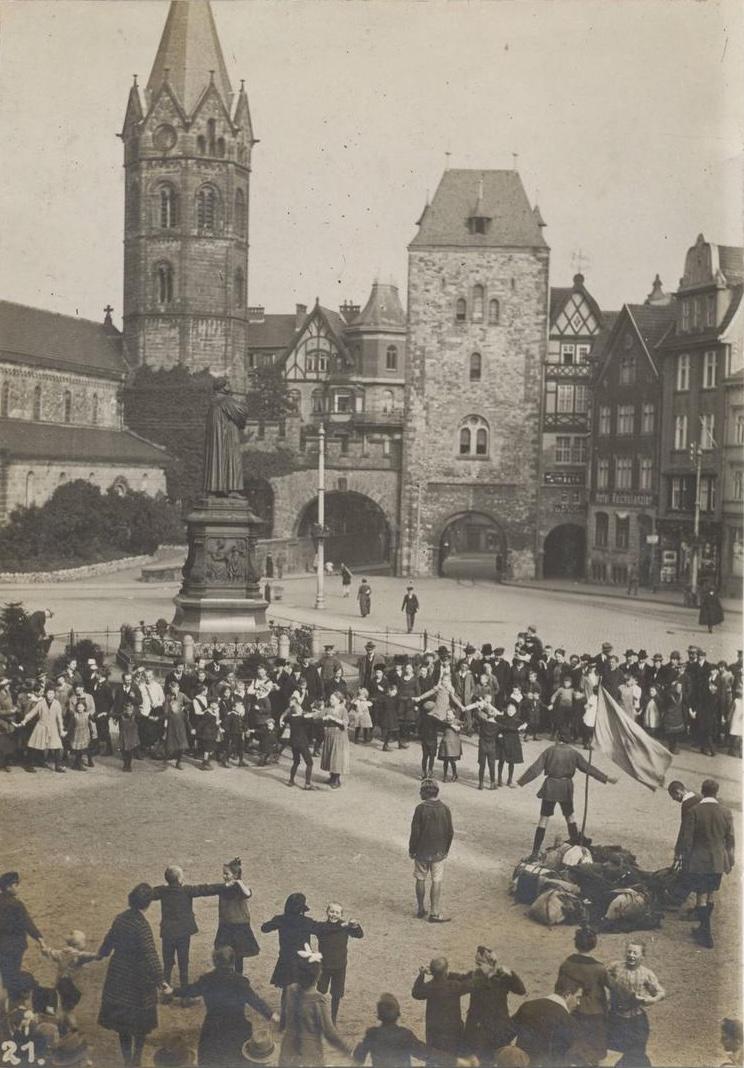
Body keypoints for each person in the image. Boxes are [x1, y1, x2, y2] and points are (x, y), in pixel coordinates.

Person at [98, 882, 170, 1067]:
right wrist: (160, 980)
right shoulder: (142, 926)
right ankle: (136, 1060)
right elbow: (150, 955)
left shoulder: (120, 918)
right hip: (138, 979)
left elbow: (109, 941)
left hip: (119, 974)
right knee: (140, 1024)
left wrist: (101, 953)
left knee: (122, 1024)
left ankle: (127, 1060)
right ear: (147, 904)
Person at [518, 727, 617, 859]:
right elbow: (588, 769)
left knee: (544, 819)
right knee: (570, 816)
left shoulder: (550, 751)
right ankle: (576, 850)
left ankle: (535, 852)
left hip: (551, 787)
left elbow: (535, 769)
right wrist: (606, 778)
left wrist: (521, 782)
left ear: (558, 738)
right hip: (565, 788)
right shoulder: (573, 753)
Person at [173, 945, 278, 1068]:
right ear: (233, 962)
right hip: (237, 1027)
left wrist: (173, 991)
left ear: (215, 962)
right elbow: (254, 1000)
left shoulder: (207, 980)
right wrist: (271, 1015)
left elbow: (190, 990)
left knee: (210, 1060)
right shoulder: (240, 981)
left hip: (213, 1026)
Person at [680, 777, 735, 948]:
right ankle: (703, 929)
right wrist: (729, 860)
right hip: (717, 860)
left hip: (699, 860)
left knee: (701, 896)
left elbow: (687, 839)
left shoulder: (695, 811)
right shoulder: (726, 812)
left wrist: (685, 859)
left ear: (702, 791)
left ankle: (705, 933)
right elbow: (730, 838)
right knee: (711, 893)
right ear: (716, 792)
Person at [151, 866, 223, 994]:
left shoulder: (162, 891)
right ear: (179, 879)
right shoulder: (187, 890)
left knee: (167, 965)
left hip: (168, 933)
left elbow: (149, 893)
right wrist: (225, 886)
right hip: (183, 933)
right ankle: (185, 996)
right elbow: (205, 889)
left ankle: (165, 994)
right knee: (183, 964)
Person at [278, 947, 352, 1067]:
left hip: (288, 1050)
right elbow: (329, 1033)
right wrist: (347, 1048)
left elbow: (285, 1015)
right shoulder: (318, 1001)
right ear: (318, 975)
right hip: (309, 1053)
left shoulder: (290, 990)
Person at [353, 992, 469, 1068]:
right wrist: (455, 1061)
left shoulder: (372, 1034)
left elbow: (358, 1058)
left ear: (379, 1015)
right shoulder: (404, 1035)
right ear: (398, 1014)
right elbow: (427, 1053)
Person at [461, 946, 525, 1065]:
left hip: (484, 1029)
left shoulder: (478, 976)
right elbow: (521, 990)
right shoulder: (487, 976)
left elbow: (521, 990)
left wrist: (510, 973)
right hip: (492, 1028)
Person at [606, 941, 665, 1067]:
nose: (631, 955)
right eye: (629, 952)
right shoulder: (616, 967)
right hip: (615, 1016)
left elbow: (660, 992)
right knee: (611, 1046)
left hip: (635, 1019)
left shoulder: (646, 974)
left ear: (642, 956)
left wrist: (653, 999)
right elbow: (602, 976)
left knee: (636, 1052)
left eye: (635, 953)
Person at [557, 926, 609, 1065]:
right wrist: (632, 997)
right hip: (594, 1012)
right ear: (594, 944)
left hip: (572, 1010)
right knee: (593, 1050)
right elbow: (613, 986)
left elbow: (558, 987)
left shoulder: (566, 964)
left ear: (576, 943)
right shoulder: (599, 968)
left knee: (574, 1046)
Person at [261, 894, 320, 1013]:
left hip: (286, 960)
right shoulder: (306, 922)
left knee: (286, 991)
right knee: (302, 990)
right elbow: (321, 929)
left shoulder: (281, 920)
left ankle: (284, 1019)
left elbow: (264, 928)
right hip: (302, 961)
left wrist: (276, 921)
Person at [510, 973, 582, 1068]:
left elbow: (505, 1034)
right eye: (577, 997)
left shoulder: (527, 1006)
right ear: (567, 994)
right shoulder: (570, 1022)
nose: (578, 1003)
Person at [409, 779, 454, 923]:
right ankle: (434, 912)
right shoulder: (445, 809)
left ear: (425, 793)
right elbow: (450, 832)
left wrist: (412, 849)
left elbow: (415, 832)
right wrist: (445, 849)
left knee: (420, 878)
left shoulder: (420, 809)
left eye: (421, 791)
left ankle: (421, 909)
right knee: (437, 880)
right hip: (439, 852)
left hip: (422, 851)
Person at [412, 956, 472, 1058]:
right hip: (454, 1033)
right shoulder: (454, 986)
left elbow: (416, 992)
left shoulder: (429, 987)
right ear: (446, 971)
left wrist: (421, 975)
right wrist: (450, 975)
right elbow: (469, 980)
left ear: (431, 971)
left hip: (434, 1034)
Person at [0, 871, 47, 1000]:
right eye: (16, 884)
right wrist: (40, 940)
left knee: (6, 977)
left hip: (1, 948)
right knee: (13, 978)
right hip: (14, 948)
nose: (18, 887)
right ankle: (15, 1007)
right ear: (8, 887)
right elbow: (28, 924)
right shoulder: (16, 904)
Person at [315, 902, 363, 1023]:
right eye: (331, 911)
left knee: (336, 994)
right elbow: (330, 929)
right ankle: (318, 1017)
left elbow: (359, 935)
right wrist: (344, 925)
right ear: (327, 912)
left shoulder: (345, 926)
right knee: (320, 991)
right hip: (324, 966)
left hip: (340, 966)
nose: (334, 915)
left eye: (337, 913)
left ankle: (333, 1019)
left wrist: (356, 925)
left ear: (341, 914)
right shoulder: (322, 927)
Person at [215, 859, 260, 973]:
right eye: (223, 873)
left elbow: (248, 894)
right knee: (224, 954)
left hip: (239, 927)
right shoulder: (223, 887)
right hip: (225, 925)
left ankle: (238, 976)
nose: (224, 876)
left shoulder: (241, 888)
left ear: (235, 875)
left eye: (227, 874)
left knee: (239, 956)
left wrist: (239, 882)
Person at [18, 684, 66, 772]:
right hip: (40, 727)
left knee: (57, 746)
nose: (50, 695)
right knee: (33, 745)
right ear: (45, 694)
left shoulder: (57, 703)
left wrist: (61, 729)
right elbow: (32, 713)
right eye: (48, 693)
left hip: (53, 727)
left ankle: (58, 766)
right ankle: (29, 766)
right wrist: (24, 721)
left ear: (54, 694)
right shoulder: (40, 703)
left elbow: (59, 718)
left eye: (52, 693)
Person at [320, 692, 350, 788]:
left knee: (337, 757)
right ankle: (332, 777)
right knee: (330, 756)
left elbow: (345, 723)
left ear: (338, 700)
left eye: (332, 699)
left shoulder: (343, 710)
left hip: (339, 737)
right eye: (330, 699)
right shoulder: (328, 709)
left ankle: (337, 780)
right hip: (329, 736)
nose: (330, 700)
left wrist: (332, 718)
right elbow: (318, 715)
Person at [119, 700, 140, 772]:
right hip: (124, 736)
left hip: (131, 737)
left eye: (131, 709)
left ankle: (129, 765)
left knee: (130, 752)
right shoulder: (122, 715)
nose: (129, 711)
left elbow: (144, 719)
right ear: (125, 709)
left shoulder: (136, 716)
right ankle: (125, 764)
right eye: (128, 709)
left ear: (133, 709)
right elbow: (113, 715)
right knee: (123, 751)